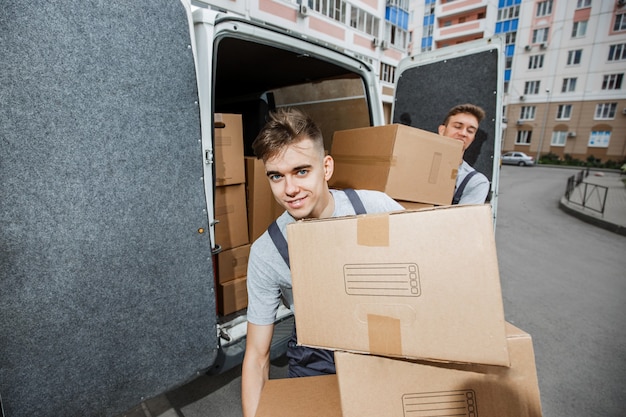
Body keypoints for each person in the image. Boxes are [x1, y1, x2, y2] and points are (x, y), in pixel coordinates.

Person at [241, 108, 403, 417]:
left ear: (326, 167)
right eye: (277, 176)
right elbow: (257, 356)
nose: (289, 189)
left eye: (301, 171)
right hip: (316, 359)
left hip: (384, 347)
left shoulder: (375, 208)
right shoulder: (268, 251)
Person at [438, 104, 490, 205]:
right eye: (457, 127)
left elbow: (462, 219)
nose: (463, 133)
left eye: (470, 131)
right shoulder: (416, 163)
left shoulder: (476, 182)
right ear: (442, 130)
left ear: (473, 138)